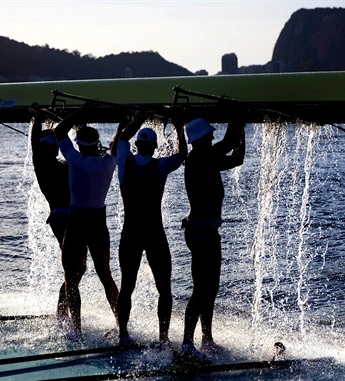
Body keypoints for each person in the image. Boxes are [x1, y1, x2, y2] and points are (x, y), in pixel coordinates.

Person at [111, 114, 187, 347]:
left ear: (137, 146)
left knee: (127, 287)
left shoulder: (124, 161)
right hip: (154, 233)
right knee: (164, 288)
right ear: (154, 148)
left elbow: (121, 139)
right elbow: (182, 154)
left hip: (130, 233)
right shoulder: (161, 165)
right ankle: (163, 339)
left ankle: (123, 335)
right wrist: (178, 126)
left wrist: (138, 116)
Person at [176, 117, 245, 364]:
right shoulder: (201, 157)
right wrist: (240, 119)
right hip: (201, 232)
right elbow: (235, 151)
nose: (212, 138)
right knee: (201, 289)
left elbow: (232, 150)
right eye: (209, 135)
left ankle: (206, 338)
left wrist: (239, 124)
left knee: (211, 288)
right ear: (201, 139)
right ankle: (186, 344)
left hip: (206, 230)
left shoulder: (204, 156)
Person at [54, 104, 119, 341]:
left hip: (78, 223)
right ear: (97, 144)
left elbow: (59, 132)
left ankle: (76, 330)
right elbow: (116, 144)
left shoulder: (75, 160)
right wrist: (124, 125)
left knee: (71, 278)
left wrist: (81, 112)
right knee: (106, 276)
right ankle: (122, 328)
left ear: (79, 144)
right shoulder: (109, 163)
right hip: (98, 225)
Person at [30, 105, 77, 321]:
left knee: (77, 269)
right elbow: (34, 142)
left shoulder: (60, 163)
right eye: (55, 146)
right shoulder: (42, 164)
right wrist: (38, 117)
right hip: (60, 218)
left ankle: (61, 311)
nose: (57, 149)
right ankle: (61, 314)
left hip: (71, 218)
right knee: (73, 269)